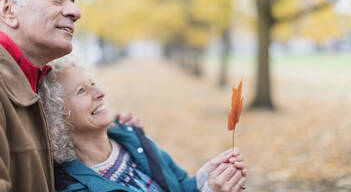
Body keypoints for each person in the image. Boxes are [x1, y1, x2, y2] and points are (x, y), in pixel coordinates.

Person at [0, 0, 141, 192]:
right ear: (8, 10)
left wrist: (116, 131)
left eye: (72, 2)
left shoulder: (37, 83)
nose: (76, 13)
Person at [39, 56, 248, 192]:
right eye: (82, 91)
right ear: (57, 115)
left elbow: (180, 186)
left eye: (93, 83)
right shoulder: (72, 186)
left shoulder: (132, 137)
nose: (100, 93)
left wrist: (206, 177)